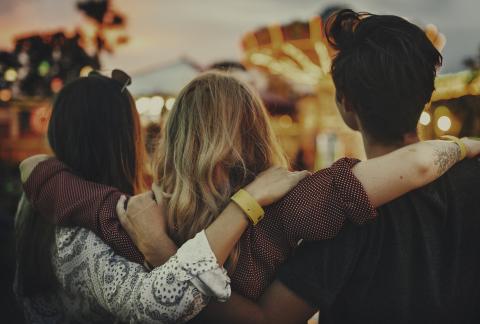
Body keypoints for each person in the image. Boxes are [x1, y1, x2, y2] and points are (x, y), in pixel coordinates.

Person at [21, 67, 480, 308]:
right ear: (255, 130)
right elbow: (419, 162)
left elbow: (38, 170)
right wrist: (466, 144)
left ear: (178, 133)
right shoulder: (291, 206)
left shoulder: (128, 216)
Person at [194, 9, 480, 323]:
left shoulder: (343, 205)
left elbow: (266, 318)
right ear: (427, 97)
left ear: (345, 104)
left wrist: (173, 264)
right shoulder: (472, 176)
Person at [14, 70, 309, 323]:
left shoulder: (54, 201)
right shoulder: (77, 232)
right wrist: (246, 203)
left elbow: (35, 167)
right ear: (127, 140)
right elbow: (159, 305)